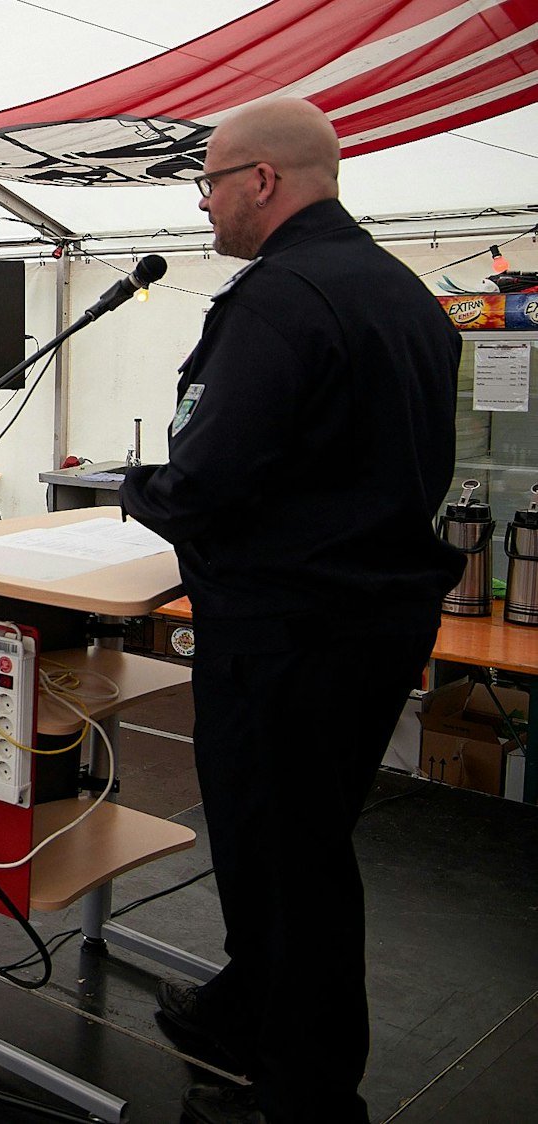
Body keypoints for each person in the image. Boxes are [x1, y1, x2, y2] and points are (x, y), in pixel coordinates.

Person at [118, 99, 461, 1124]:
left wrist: (136, 487)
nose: (206, 205)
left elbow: (212, 473)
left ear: (260, 180)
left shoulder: (276, 298)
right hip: (374, 621)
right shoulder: (405, 297)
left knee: (284, 854)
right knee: (301, 838)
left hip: (284, 631)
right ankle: (241, 1009)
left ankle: (309, 1090)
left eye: (210, 183)